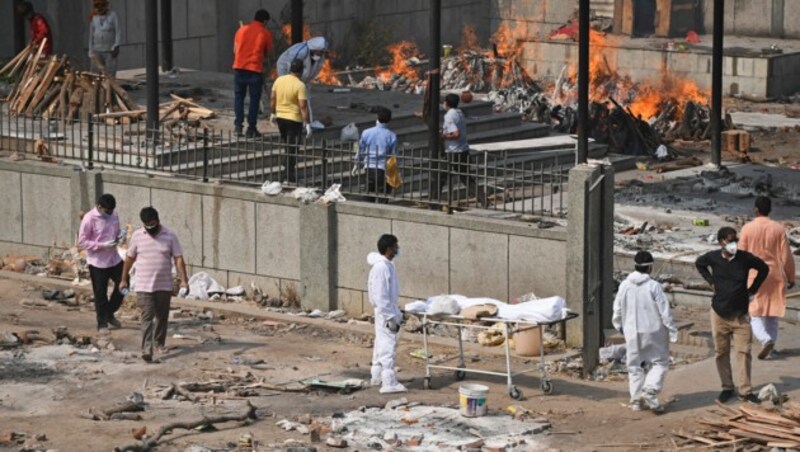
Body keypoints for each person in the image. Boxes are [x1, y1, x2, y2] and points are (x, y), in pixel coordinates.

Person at [696, 226, 769, 404]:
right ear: (721, 242)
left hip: (741, 315)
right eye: (730, 241)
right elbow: (699, 263)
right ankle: (727, 387)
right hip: (719, 313)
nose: (733, 244)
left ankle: (745, 390)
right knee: (721, 352)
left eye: (735, 240)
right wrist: (711, 281)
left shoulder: (744, 258)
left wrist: (752, 290)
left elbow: (764, 269)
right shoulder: (712, 257)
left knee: (744, 352)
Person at [119, 207, 188, 363]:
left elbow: (178, 258)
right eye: (147, 225)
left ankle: (159, 342)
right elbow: (129, 258)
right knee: (147, 317)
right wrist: (123, 279)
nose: (150, 227)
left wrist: (184, 280)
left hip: (163, 285)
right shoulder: (137, 236)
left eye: (152, 224)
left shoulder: (170, 236)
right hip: (143, 285)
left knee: (161, 317)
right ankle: (146, 348)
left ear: (158, 220)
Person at [612, 251, 678, 412]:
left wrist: (618, 324)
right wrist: (672, 329)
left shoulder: (624, 285)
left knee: (634, 365)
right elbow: (664, 311)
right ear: (650, 267)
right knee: (659, 363)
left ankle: (636, 401)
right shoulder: (653, 286)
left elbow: (617, 308)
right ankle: (650, 390)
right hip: (653, 330)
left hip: (631, 331)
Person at [739, 196, 796, 360]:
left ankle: (765, 340)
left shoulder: (747, 229)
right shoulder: (778, 229)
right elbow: (786, 256)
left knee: (755, 312)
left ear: (756, 209)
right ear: (770, 210)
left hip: (754, 274)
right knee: (772, 312)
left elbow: (741, 255)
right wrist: (791, 276)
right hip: (774, 274)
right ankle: (771, 346)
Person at [78, 194, 125, 333]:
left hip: (114, 259)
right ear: (99, 206)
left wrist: (120, 235)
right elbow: (82, 242)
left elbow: (116, 231)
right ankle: (102, 322)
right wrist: (102, 245)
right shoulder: (89, 219)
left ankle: (109, 311)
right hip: (98, 262)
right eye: (107, 211)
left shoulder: (114, 215)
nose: (109, 213)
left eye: (111, 211)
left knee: (124, 286)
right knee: (100, 293)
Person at [367, 234, 406, 394]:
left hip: (386, 310)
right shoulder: (381, 268)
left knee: (380, 342)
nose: (397, 249)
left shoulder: (387, 265)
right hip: (385, 312)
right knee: (388, 344)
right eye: (395, 246)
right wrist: (390, 317)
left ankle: (376, 376)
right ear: (389, 248)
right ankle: (389, 382)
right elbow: (380, 294)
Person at [438, 93, 487, 207]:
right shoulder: (459, 112)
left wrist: (443, 136)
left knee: (441, 176)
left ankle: (434, 199)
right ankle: (484, 200)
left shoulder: (449, 115)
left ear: (447, 103)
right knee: (466, 177)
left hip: (453, 151)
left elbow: (456, 134)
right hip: (463, 150)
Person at [232, 9, 274, 138]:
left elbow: (235, 50)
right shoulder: (265, 33)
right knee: (254, 100)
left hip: (239, 69)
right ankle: (251, 128)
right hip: (254, 70)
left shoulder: (241, 30)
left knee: (239, 98)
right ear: (265, 21)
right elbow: (269, 54)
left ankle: (238, 126)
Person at [270, 58, 310, 183]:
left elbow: (272, 98)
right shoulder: (300, 85)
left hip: (281, 118)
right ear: (301, 71)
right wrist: (307, 123)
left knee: (287, 145)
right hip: (294, 120)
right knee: (292, 147)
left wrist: (272, 113)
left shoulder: (279, 80)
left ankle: (286, 171)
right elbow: (303, 106)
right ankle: (288, 174)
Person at [353, 107, 397, 203]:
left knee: (368, 193)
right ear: (389, 120)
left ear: (377, 119)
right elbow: (393, 156)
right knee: (383, 195)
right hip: (383, 168)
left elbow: (360, 149)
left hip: (369, 166)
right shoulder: (391, 135)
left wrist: (356, 164)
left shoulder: (366, 132)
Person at [88, 0, 121, 77]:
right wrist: (91, 52)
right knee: (95, 75)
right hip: (97, 51)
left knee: (110, 75)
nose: (100, 8)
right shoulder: (94, 17)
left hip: (110, 51)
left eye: (102, 5)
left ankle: (109, 88)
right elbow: (91, 35)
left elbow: (118, 31)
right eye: (97, 6)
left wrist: (117, 45)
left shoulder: (113, 15)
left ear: (106, 5)